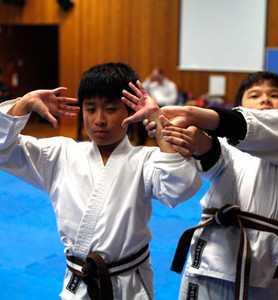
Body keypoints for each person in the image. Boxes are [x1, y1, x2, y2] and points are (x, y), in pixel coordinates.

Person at [0, 62, 201, 300]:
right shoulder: (58, 155)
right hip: (79, 284)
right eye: (91, 108)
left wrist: (158, 122)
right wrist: (24, 103)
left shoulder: (146, 160)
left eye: (110, 109)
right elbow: (4, 148)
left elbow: (179, 188)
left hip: (130, 286)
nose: (99, 119)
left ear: (130, 112)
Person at [137, 71, 278, 300]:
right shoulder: (231, 144)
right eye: (254, 95)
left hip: (264, 268)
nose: (265, 99)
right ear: (238, 108)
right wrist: (193, 136)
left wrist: (191, 113)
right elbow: (212, 153)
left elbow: (249, 126)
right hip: (208, 260)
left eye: (274, 95)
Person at [135, 67, 178, 146]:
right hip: (152, 107)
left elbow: (172, 100)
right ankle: (141, 141)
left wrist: (157, 101)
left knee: (157, 116)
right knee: (141, 115)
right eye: (154, 76)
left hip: (165, 107)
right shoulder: (153, 85)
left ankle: (160, 141)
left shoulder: (171, 85)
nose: (156, 78)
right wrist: (149, 79)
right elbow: (142, 89)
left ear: (162, 75)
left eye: (157, 76)